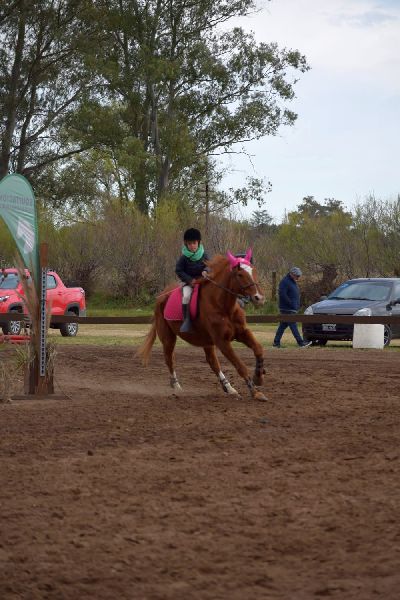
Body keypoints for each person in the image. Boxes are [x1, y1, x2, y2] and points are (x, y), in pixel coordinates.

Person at [175, 228, 209, 332]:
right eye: (189, 244)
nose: (192, 246)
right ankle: (186, 320)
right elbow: (178, 270)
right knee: (186, 297)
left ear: (198, 242)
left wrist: (206, 270)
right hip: (189, 283)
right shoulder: (183, 258)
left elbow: (209, 265)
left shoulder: (204, 255)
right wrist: (190, 280)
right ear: (186, 244)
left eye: (194, 243)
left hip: (203, 281)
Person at [273, 267, 312, 348]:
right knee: (293, 325)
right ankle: (300, 343)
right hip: (287, 308)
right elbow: (282, 294)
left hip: (291, 308)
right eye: (297, 276)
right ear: (291, 274)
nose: (298, 277)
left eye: (299, 276)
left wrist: (296, 304)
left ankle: (276, 343)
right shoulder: (285, 282)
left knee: (282, 326)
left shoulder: (292, 281)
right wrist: (291, 303)